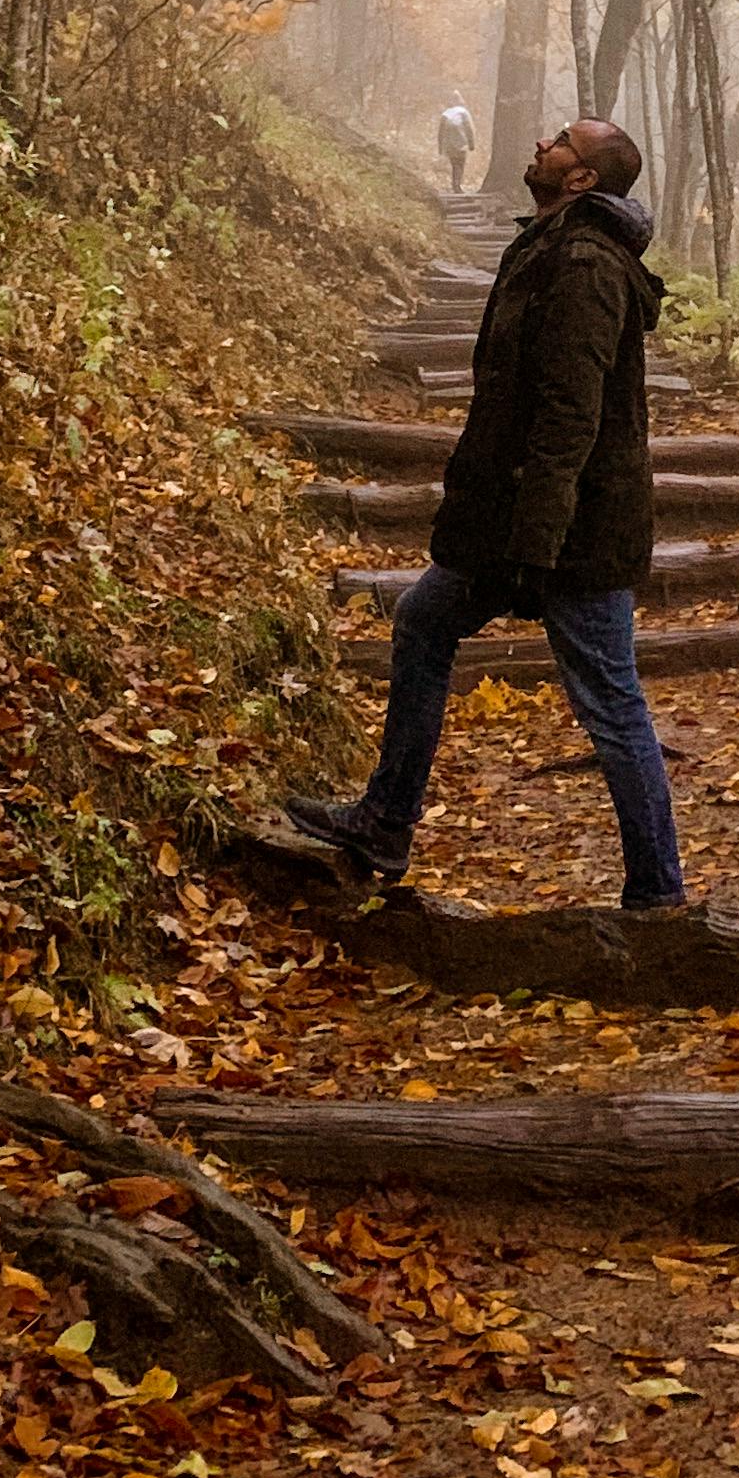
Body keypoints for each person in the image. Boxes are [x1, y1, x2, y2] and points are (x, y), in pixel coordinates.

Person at [290, 118, 685, 911]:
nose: (542, 142)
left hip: (572, 532)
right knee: (423, 622)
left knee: (610, 700)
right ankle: (385, 821)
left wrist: (535, 549)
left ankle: (656, 898)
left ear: (581, 180)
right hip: (513, 519)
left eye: (563, 141)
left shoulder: (584, 266)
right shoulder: (546, 247)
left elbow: (567, 416)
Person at [436, 95, 477, 194]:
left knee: (454, 164)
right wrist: (471, 144)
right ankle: (457, 185)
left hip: (449, 144)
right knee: (460, 164)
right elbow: (469, 129)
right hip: (461, 143)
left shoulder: (446, 113)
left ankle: (455, 184)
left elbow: (440, 132)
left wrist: (440, 147)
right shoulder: (463, 112)